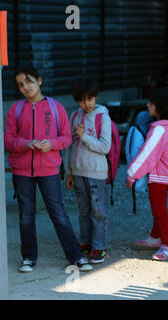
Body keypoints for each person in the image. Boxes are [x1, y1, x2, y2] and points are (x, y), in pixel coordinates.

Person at [5, 66, 92, 273]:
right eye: (20, 85)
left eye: (29, 81)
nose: (25, 87)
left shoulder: (56, 107)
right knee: (26, 215)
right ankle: (28, 257)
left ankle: (76, 257)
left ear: (40, 81)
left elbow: (66, 137)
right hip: (22, 170)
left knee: (58, 213)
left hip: (49, 169)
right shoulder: (15, 110)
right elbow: (7, 140)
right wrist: (26, 143)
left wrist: (50, 144)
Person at [126, 88, 168, 260]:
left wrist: (132, 174)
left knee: (160, 210)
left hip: (159, 176)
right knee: (159, 208)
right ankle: (156, 238)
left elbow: (147, 154)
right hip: (166, 174)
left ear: (159, 107)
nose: (148, 105)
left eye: (151, 103)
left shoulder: (158, 130)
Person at [65, 79, 112, 264]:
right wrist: (68, 170)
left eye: (90, 99)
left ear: (96, 97)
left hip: (96, 172)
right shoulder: (75, 116)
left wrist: (85, 137)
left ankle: (100, 247)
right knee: (83, 210)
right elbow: (69, 145)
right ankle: (85, 243)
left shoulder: (103, 116)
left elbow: (105, 147)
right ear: (77, 101)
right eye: (82, 100)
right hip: (77, 172)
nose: (87, 104)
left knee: (98, 211)